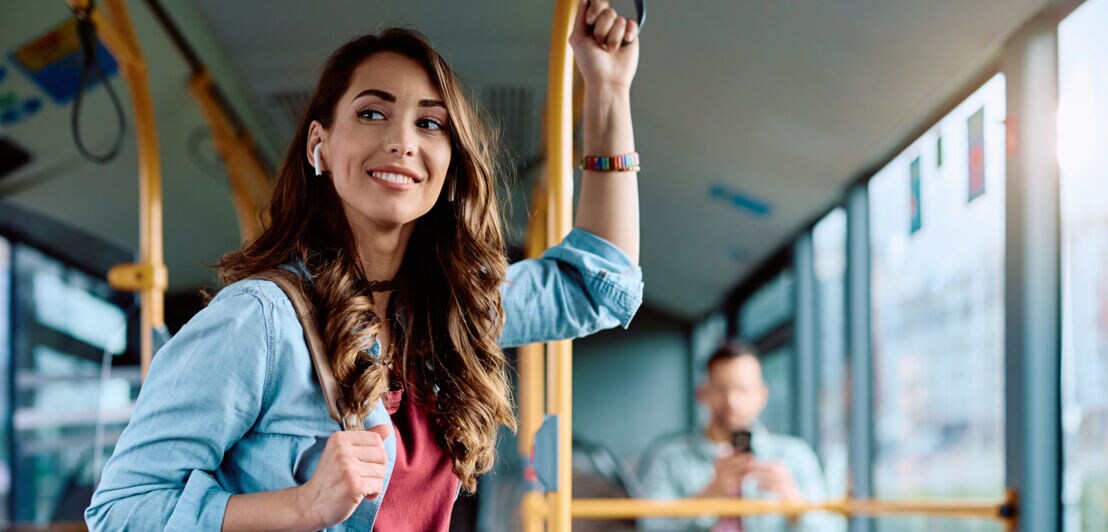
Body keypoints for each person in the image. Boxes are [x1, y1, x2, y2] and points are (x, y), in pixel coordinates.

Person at [85, 1, 642, 530]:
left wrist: (608, 88)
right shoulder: (259, 322)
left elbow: (599, 285)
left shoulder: (447, 311)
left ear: (450, 167)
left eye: (430, 124)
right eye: (372, 113)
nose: (401, 140)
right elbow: (121, 509)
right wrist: (302, 506)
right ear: (318, 147)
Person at [637, 342, 844, 532]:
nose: (732, 401)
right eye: (721, 390)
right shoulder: (668, 457)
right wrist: (709, 496)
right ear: (702, 393)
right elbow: (650, 527)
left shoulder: (794, 455)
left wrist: (795, 503)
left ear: (762, 395)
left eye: (743, 390)